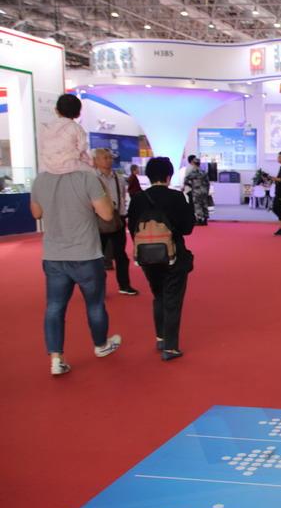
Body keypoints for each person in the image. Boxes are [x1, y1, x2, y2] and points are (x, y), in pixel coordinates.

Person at [30, 162, 123, 376]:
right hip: (86, 253)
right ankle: (101, 345)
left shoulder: (40, 179)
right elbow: (107, 214)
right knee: (95, 305)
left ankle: (56, 358)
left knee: (54, 307)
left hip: (54, 254)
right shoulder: (87, 178)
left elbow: (36, 213)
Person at [127, 157, 195, 361]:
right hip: (174, 254)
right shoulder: (176, 197)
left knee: (159, 296)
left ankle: (160, 337)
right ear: (168, 176)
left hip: (147, 255)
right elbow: (187, 228)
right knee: (173, 298)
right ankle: (171, 347)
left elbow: (132, 227)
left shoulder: (138, 198)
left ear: (148, 175)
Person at [94, 148, 138, 296]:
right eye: (105, 157)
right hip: (97, 221)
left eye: (110, 157)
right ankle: (98, 289)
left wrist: (122, 216)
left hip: (117, 220)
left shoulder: (118, 178)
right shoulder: (91, 178)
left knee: (121, 255)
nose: (109, 160)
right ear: (96, 161)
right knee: (97, 257)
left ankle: (124, 285)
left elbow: (123, 197)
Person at [38, 94, 94, 175]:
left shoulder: (45, 128)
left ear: (56, 110)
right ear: (78, 114)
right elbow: (82, 147)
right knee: (94, 174)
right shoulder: (76, 127)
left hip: (46, 168)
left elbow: (42, 148)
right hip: (71, 166)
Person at [183, 155, 211, 226]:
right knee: (204, 204)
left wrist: (191, 186)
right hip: (204, 191)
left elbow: (186, 180)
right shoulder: (204, 172)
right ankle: (205, 219)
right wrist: (207, 190)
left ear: (194, 164)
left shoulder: (193, 172)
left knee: (197, 205)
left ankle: (199, 219)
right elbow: (208, 183)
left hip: (196, 191)